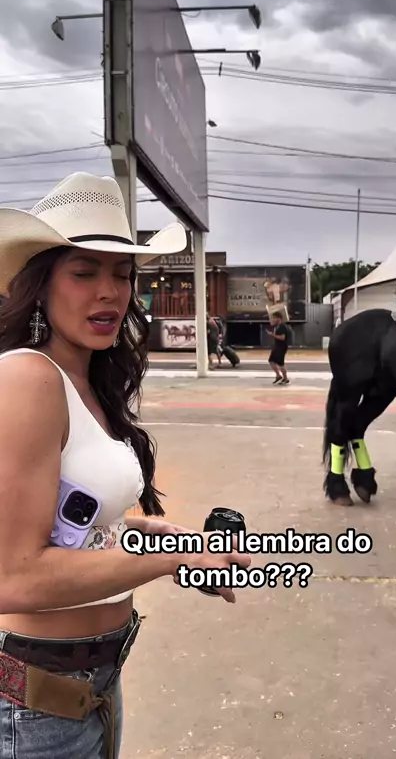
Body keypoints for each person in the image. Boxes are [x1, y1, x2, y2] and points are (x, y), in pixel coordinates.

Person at [0, 173, 251, 759]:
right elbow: (13, 576)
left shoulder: (87, 381)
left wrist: (143, 533)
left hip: (91, 685)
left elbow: (69, 524)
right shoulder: (29, 378)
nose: (109, 293)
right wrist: (171, 560)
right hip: (34, 707)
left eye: (122, 274)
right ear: (40, 283)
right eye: (84, 272)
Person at [267, 311, 290, 385]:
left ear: (279, 318)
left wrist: (273, 335)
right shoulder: (277, 327)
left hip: (281, 347)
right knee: (271, 360)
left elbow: (282, 337)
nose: (273, 319)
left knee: (280, 363)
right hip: (277, 346)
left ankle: (285, 378)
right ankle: (278, 375)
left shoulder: (282, 327)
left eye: (274, 318)